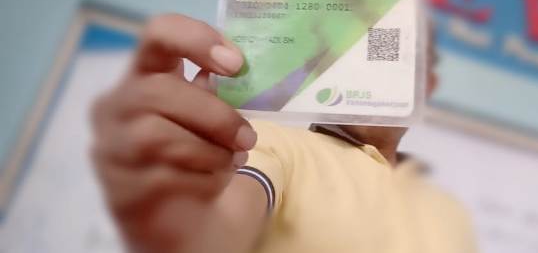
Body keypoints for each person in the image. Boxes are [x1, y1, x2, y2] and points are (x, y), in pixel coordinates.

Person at [91, 13, 476, 253]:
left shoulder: (449, 212)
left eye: (398, 59)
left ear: (426, 85)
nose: (374, 74)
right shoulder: (271, 144)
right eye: (358, 55)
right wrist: (171, 221)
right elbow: (216, 232)